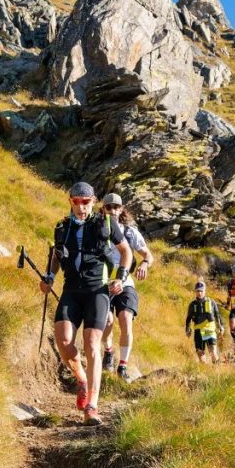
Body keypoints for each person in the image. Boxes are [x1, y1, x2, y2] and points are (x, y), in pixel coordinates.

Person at [40, 181, 132, 426]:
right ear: (71, 201)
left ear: (94, 202)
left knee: (92, 345)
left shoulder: (107, 223)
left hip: (97, 291)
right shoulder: (62, 227)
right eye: (77, 202)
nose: (81, 207)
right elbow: (56, 257)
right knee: (64, 342)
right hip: (71, 289)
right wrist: (49, 276)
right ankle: (81, 379)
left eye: (86, 202)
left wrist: (121, 279)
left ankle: (92, 406)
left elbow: (126, 252)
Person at [99, 195, 154, 380]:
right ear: (103, 209)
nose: (113, 211)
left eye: (116, 207)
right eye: (109, 207)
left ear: (121, 209)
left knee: (125, 319)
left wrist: (145, 264)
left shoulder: (130, 233)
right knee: (107, 322)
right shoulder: (98, 230)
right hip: (103, 281)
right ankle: (108, 350)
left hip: (126, 281)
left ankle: (122, 366)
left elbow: (148, 255)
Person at [185, 280, 223, 363]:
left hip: (209, 330)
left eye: (201, 291)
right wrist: (187, 329)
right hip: (198, 331)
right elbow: (188, 318)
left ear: (205, 291)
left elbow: (217, 315)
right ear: (195, 291)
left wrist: (221, 327)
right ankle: (206, 371)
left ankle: (217, 370)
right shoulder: (192, 305)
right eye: (198, 291)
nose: (199, 293)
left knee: (212, 352)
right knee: (200, 354)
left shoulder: (211, 302)